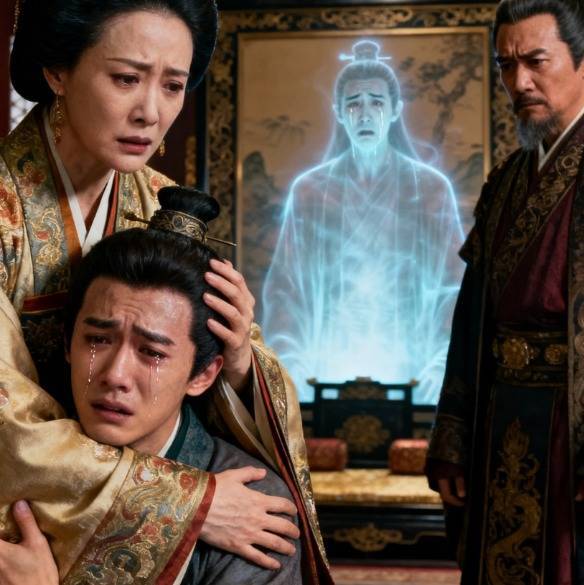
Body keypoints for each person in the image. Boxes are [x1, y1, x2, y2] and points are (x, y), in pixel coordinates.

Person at [0, 1, 330, 583]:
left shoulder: (159, 203)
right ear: (57, 71)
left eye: (173, 86)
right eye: (126, 79)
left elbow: (211, 365)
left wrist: (236, 358)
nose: (150, 112)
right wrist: (186, 504)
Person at [0, 187, 305, 584]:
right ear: (66, 344)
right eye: (98, 340)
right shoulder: (20, 472)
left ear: (203, 374)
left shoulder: (254, 509)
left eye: (152, 352)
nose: (115, 375)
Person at [426, 1, 584, 582]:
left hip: (573, 427)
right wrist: (453, 436)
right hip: (501, 417)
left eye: (536, 61)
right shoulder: (507, 181)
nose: (519, 83)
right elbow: (471, 318)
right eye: (505, 65)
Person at [261, 39, 464, 403]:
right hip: (325, 374)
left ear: (396, 109)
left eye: (377, 102)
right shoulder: (310, 192)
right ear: (339, 112)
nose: (366, 115)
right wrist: (294, 372)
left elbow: (453, 291)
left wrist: (438, 371)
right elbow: (285, 292)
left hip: (412, 376)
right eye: (354, 104)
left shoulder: (431, 189)